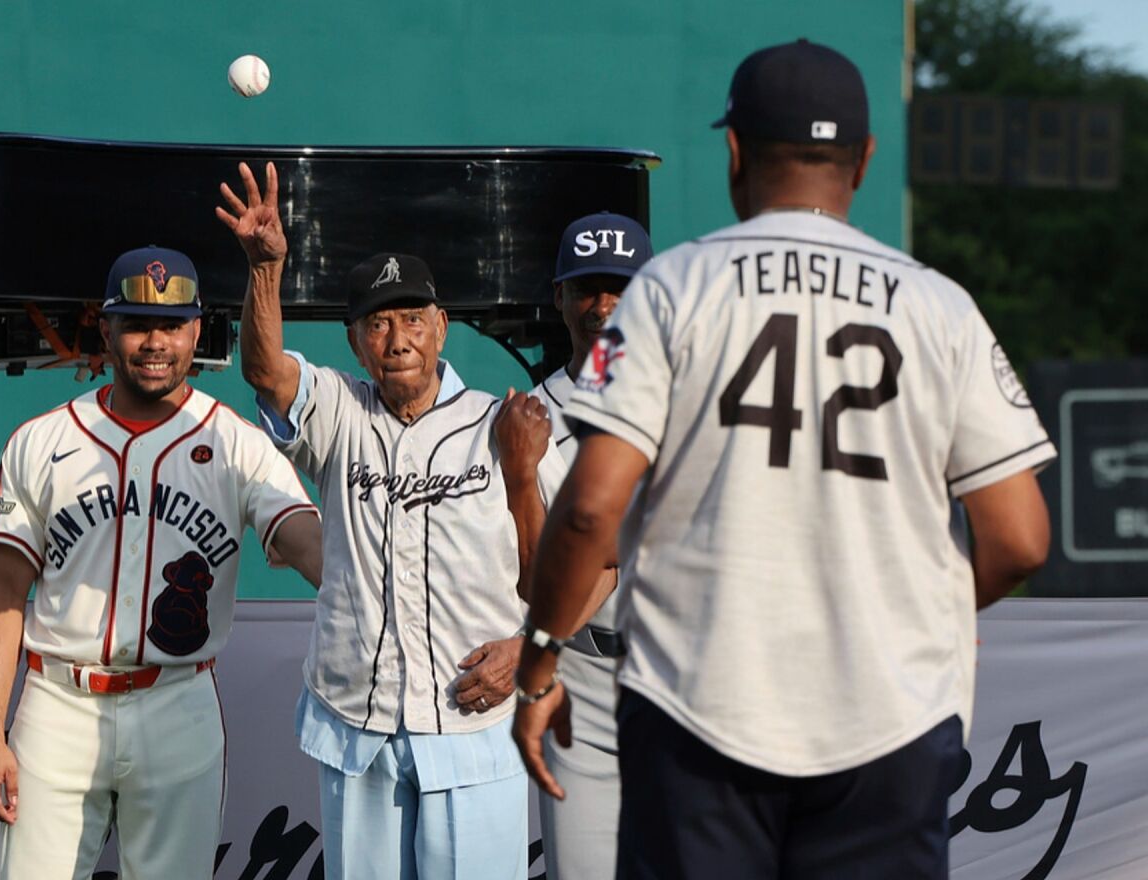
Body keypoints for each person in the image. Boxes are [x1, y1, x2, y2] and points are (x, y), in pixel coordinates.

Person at [513, 39, 1055, 879]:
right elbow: (1019, 537)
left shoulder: (669, 290)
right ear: (866, 159)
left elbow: (588, 510)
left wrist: (541, 657)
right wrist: (930, 612)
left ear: (734, 152)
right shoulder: (938, 305)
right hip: (886, 715)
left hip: (701, 710)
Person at [219, 161, 565, 879]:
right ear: (353, 341)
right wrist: (264, 270)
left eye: (413, 317)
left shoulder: (505, 423)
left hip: (471, 721)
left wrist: (530, 648)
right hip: (358, 725)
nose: (397, 336)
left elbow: (572, 566)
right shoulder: (340, 412)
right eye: (377, 322)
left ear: (442, 327)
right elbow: (266, 372)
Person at [0, 246, 323, 880]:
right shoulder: (42, 440)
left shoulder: (236, 442)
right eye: (136, 323)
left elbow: (304, 539)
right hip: (57, 702)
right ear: (105, 328)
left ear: (197, 329)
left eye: (171, 324)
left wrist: (367, 578)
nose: (154, 341)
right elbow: (1, 596)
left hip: (177, 702)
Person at [530, 211, 651, 880]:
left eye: (618, 288)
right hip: (580, 672)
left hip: (676, 675)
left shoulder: (688, 401)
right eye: (586, 289)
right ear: (559, 298)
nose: (601, 306)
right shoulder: (530, 419)